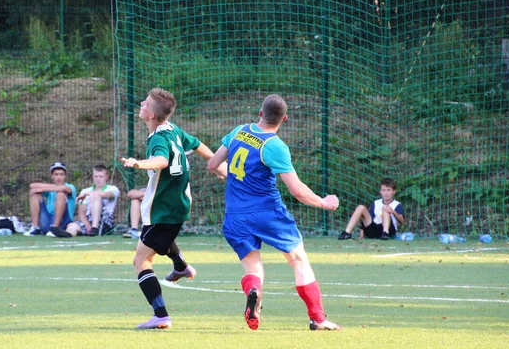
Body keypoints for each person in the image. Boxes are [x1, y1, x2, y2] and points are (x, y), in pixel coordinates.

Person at [207, 94, 341, 331]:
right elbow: (297, 190)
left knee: (253, 268)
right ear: (284, 119)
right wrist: (324, 202)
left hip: (235, 216)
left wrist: (234, 175)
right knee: (299, 260)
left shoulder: (239, 131)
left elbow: (212, 164)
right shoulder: (275, 146)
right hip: (268, 212)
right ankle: (318, 318)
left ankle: (254, 292)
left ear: (260, 113)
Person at [121, 87, 226, 330]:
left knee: (141, 260)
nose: (141, 105)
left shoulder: (158, 138)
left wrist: (139, 163)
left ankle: (160, 315)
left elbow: (162, 161)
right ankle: (180, 266)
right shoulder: (172, 129)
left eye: (145, 104)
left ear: (150, 116)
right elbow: (197, 144)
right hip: (176, 206)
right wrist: (217, 165)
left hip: (164, 211)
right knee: (159, 241)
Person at [48, 164, 120, 237]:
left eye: (101, 176)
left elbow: (105, 195)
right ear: (93, 177)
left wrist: (87, 194)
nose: (98, 179)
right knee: (72, 225)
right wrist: (87, 225)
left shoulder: (113, 189)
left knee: (95, 195)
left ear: (106, 177)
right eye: (96, 176)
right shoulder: (85, 191)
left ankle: (95, 228)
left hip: (104, 221)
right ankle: (68, 234)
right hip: (89, 220)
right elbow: (81, 212)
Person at [337, 177, 404, 241]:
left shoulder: (397, 204)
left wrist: (393, 212)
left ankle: (385, 233)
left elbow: (401, 221)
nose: (386, 192)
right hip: (374, 230)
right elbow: (366, 219)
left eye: (388, 190)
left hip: (389, 230)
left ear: (394, 191)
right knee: (361, 207)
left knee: (385, 208)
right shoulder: (376, 203)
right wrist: (362, 235)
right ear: (380, 191)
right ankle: (347, 233)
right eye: (383, 190)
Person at [24, 161, 77, 236]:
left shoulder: (70, 186)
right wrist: (49, 188)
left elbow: (65, 189)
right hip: (47, 220)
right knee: (34, 193)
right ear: (52, 176)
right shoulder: (50, 187)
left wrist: (42, 189)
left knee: (61, 194)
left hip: (63, 222)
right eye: (56, 174)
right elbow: (32, 185)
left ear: (65, 176)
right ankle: (35, 228)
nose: (59, 177)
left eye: (61, 174)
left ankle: (56, 227)